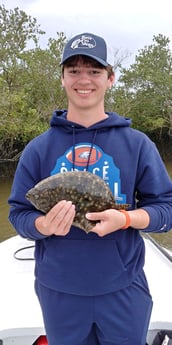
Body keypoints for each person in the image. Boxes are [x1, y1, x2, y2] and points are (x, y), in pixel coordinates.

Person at [8, 32, 172, 345]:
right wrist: (43, 224)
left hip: (124, 288)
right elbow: (19, 214)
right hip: (59, 291)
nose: (84, 80)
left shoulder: (138, 145)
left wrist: (125, 219)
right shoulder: (37, 149)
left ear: (110, 78)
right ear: (62, 78)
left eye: (94, 71)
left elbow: (167, 208)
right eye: (74, 71)